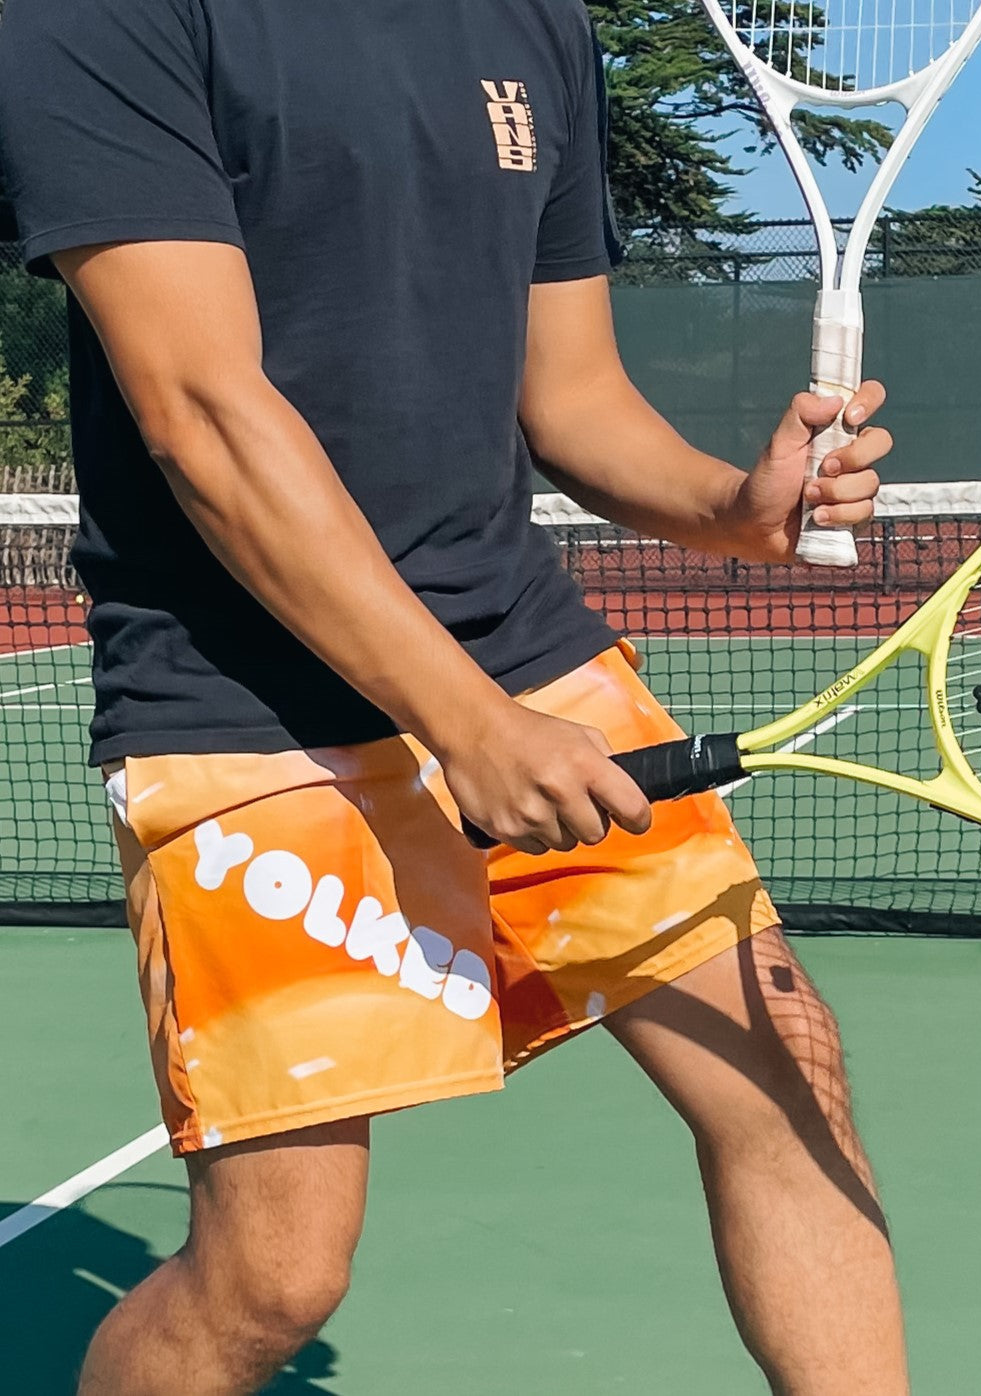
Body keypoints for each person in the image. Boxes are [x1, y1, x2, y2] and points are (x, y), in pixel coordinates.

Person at [0, 0, 908, 1390]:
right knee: (274, 1277)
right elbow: (202, 409)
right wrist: (464, 721)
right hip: (246, 710)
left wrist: (731, 509)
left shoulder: (536, 20)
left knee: (787, 1083)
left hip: (525, 656)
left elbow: (573, 398)